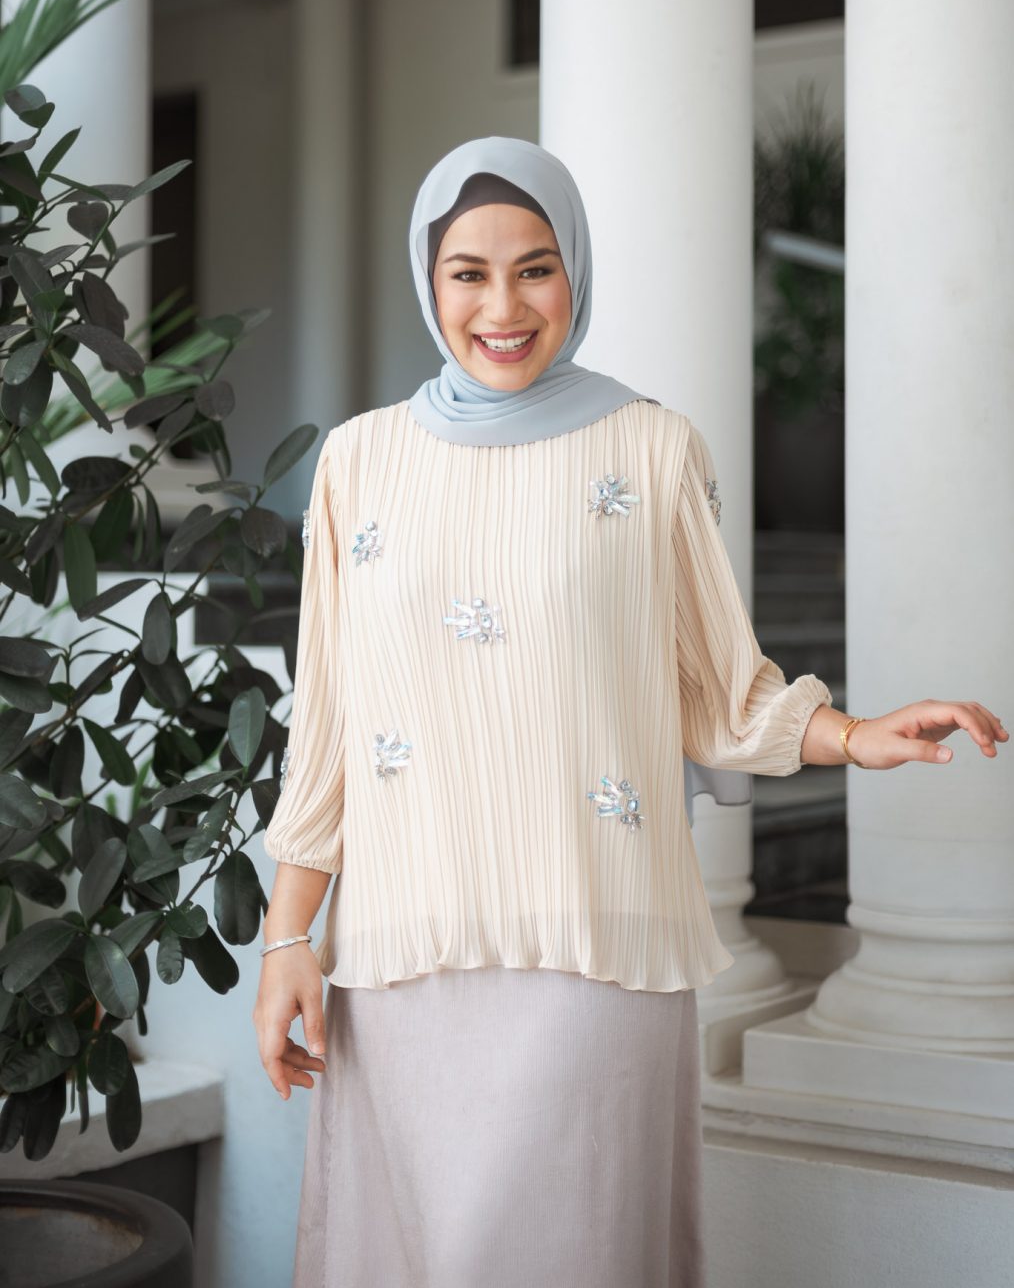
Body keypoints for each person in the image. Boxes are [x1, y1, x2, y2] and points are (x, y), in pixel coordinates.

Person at [252, 135, 1007, 1288]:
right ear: (428, 278)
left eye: (535, 268)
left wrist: (854, 735)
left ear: (576, 269)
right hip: (402, 955)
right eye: (468, 273)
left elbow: (715, 687)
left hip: (597, 948)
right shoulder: (360, 461)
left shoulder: (652, 448)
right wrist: (287, 940)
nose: (504, 307)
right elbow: (330, 724)